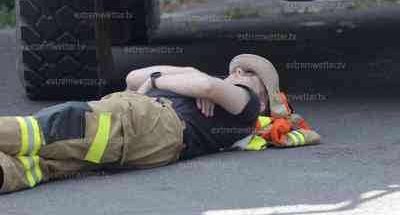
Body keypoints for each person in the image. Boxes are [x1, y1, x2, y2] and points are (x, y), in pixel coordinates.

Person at [0, 54, 287, 193]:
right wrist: (187, 72)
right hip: (149, 136)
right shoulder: (197, 83)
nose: (238, 72)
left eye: (249, 74)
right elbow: (134, 77)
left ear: (263, 100)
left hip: (151, 120)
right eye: (237, 69)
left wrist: (159, 80)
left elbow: (206, 86)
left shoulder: (247, 104)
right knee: (49, 161)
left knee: (65, 124)